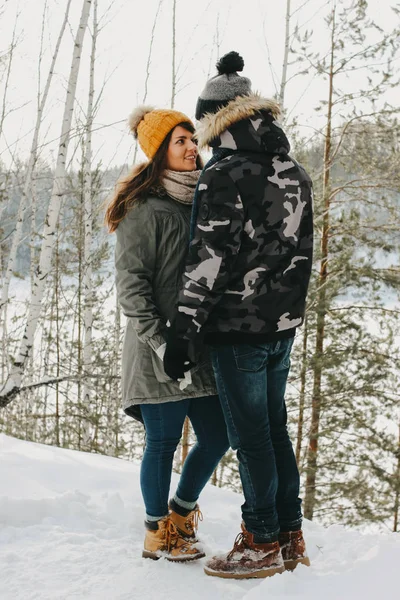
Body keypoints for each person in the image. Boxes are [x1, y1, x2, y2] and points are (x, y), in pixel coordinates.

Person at [163, 51, 314, 579]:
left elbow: (208, 260)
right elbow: (301, 255)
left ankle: (261, 540)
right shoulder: (292, 168)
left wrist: (182, 333)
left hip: (237, 330)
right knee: (274, 430)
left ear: (213, 119)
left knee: (252, 437)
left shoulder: (223, 173)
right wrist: (287, 312)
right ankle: (289, 533)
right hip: (282, 325)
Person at [105, 106, 229, 562]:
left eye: (193, 139)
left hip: (197, 347)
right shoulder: (145, 210)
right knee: (161, 442)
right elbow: (131, 286)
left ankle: (181, 513)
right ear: (160, 152)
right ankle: (157, 532)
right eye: (180, 141)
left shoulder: (200, 201)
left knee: (218, 436)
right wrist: (160, 343)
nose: (193, 147)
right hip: (156, 349)